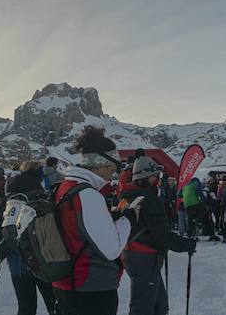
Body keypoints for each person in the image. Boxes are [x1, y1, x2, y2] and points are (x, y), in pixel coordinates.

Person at [51, 126, 133, 315]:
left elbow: (76, 229)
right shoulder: (88, 195)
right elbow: (111, 249)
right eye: (112, 170)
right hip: (90, 288)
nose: (112, 176)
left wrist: (109, 217)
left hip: (66, 282)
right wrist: (127, 218)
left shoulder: (65, 187)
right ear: (100, 164)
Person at [121, 156, 198, 315]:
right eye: (156, 175)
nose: (158, 179)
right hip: (145, 257)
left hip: (133, 255)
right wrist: (186, 244)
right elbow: (161, 235)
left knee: (158, 303)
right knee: (143, 306)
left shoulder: (128, 196)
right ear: (147, 177)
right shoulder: (149, 199)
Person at [0, 162, 61, 315]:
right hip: (40, 260)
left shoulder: (10, 195)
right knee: (53, 304)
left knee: (25, 306)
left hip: (16, 262)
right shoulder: (38, 195)